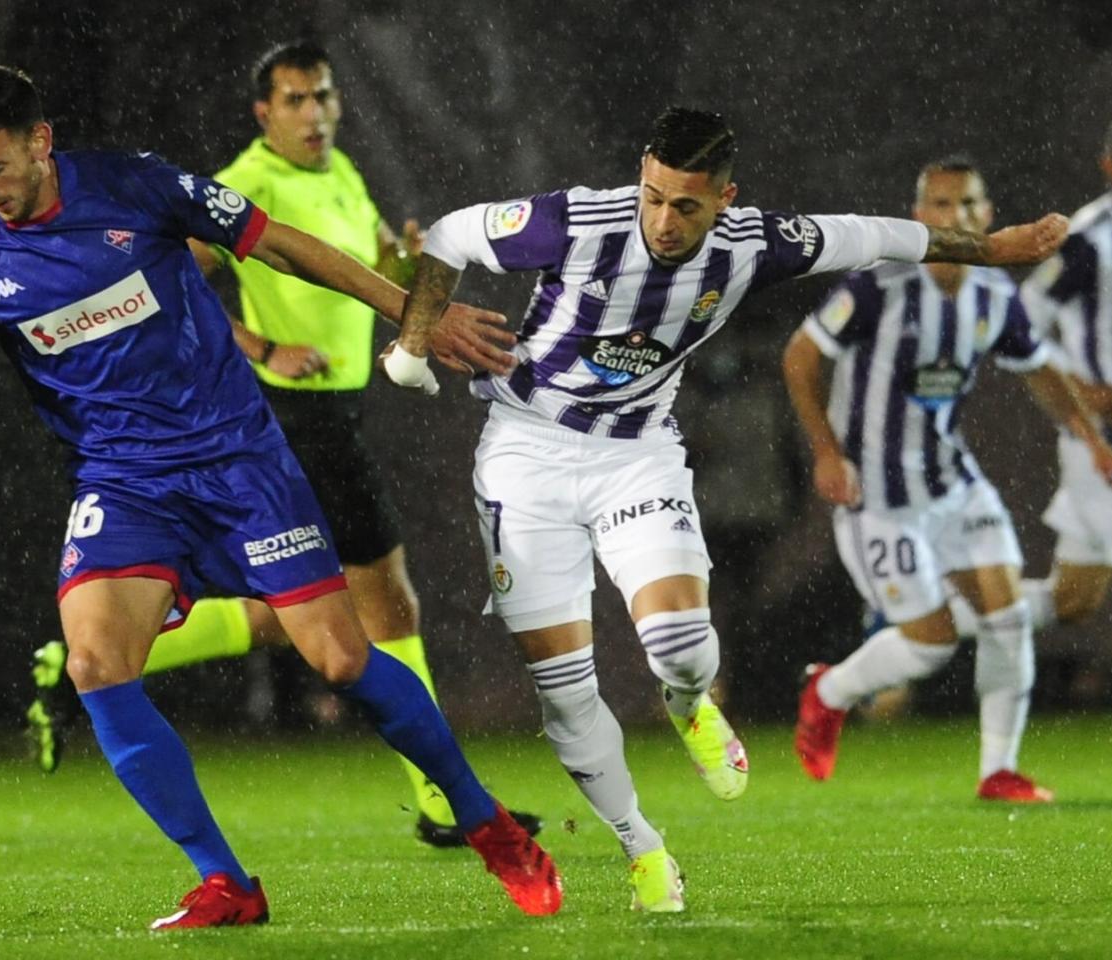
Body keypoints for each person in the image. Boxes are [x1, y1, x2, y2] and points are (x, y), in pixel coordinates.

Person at [0, 63, 560, 930]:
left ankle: (485, 823)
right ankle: (226, 883)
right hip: (122, 482)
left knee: (342, 659)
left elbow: (280, 243)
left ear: (41, 142)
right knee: (95, 664)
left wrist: (413, 315)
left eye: (0, 170)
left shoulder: (136, 185)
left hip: (238, 458)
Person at [380, 108, 1069, 911]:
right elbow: (453, 236)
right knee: (565, 690)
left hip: (636, 456)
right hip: (524, 455)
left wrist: (996, 248)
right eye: (655, 197)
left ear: (726, 199)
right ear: (642, 174)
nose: (665, 222)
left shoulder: (756, 243)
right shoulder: (579, 221)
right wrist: (413, 342)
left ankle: (688, 703)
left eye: (688, 207)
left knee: (679, 648)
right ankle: (644, 848)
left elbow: (879, 235)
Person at [23, 39, 541, 848]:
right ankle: (443, 802)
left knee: (299, 616)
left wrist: (404, 260)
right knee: (381, 603)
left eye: (323, 97)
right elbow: (160, 288)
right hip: (279, 418)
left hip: (339, 410)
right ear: (265, 113)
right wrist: (263, 349)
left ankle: (85, 666)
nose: (314, 114)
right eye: (295, 101)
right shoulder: (247, 183)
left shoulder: (339, 173)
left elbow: (369, 257)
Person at [781, 157, 1112, 802]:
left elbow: (1039, 368)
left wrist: (1089, 439)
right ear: (918, 216)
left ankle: (999, 771)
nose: (954, 217)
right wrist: (826, 452)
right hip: (876, 493)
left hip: (952, 480)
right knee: (930, 642)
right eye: (939, 205)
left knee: (1009, 616)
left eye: (966, 205)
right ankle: (827, 692)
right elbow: (799, 360)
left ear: (987, 215)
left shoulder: (995, 296)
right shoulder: (878, 286)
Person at [938, 117, 1112, 644]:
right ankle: (922, 627)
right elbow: (1024, 318)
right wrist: (1082, 389)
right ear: (1109, 165)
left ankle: (926, 625)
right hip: (1105, 436)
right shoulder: (1090, 241)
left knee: (1078, 598)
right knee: (1076, 597)